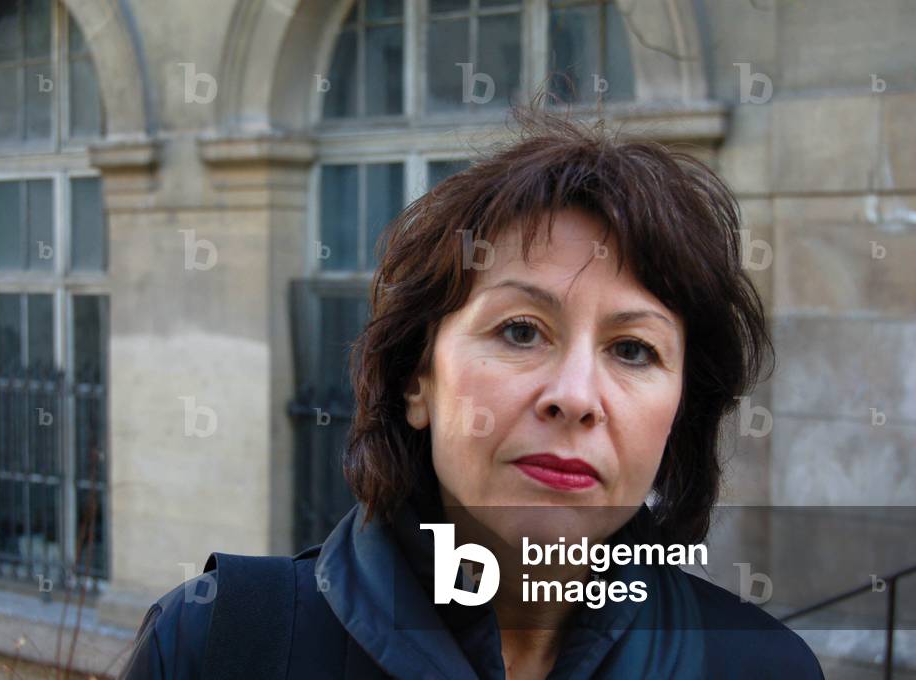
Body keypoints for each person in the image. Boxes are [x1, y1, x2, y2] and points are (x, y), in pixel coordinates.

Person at [119, 110, 825, 679]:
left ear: (679, 414)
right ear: (414, 381)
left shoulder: (761, 667)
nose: (576, 397)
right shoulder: (220, 644)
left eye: (632, 349)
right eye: (521, 331)